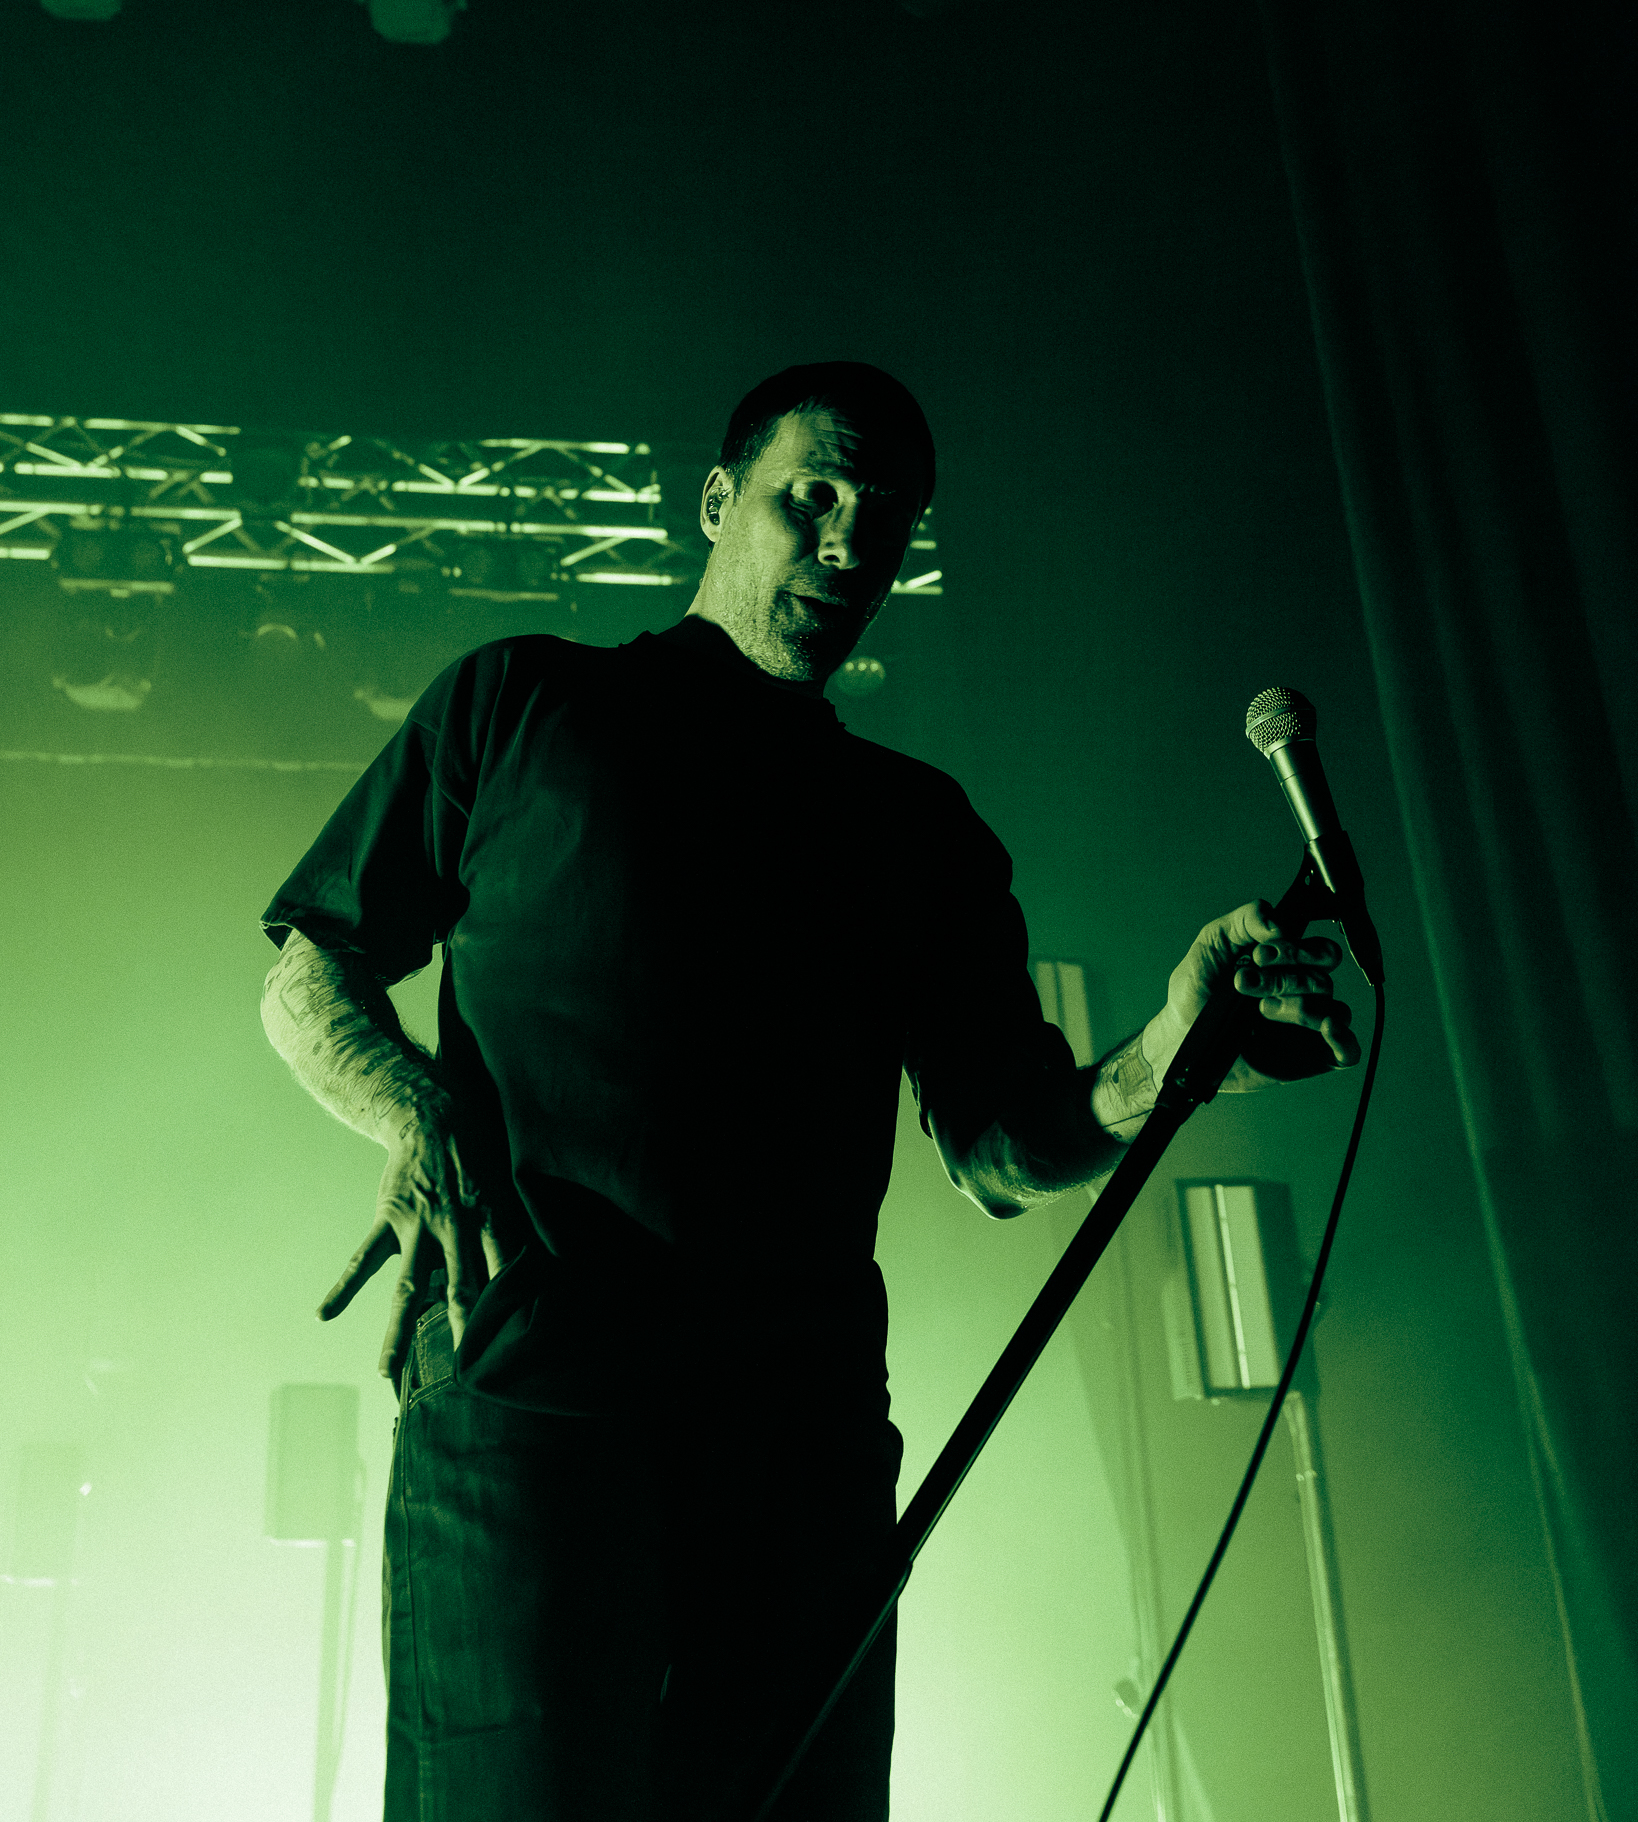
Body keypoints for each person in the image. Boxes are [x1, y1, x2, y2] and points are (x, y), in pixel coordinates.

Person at [259, 362, 1358, 1822]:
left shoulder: (916, 829)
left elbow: (1008, 1141)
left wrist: (1174, 1041)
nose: (847, 540)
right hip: (534, 1398)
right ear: (719, 501)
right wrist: (419, 1111)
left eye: (883, 519)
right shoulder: (525, 701)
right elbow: (311, 971)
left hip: (795, 1446)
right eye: (813, 495)